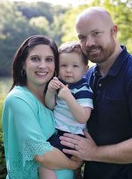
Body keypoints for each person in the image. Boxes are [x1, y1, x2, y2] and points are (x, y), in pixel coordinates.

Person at [59, 7, 132, 179]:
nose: (89, 43)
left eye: (96, 33)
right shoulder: (88, 76)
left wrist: (94, 153)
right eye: (82, 37)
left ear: (113, 31)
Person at [2, 35, 82, 179]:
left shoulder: (57, 97)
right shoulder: (18, 100)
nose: (43, 66)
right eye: (35, 59)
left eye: (49, 60)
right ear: (22, 64)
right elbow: (41, 154)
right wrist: (73, 164)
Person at [39, 42, 94, 179]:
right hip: (60, 132)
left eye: (75, 66)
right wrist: (50, 92)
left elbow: (83, 117)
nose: (69, 70)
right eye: (64, 65)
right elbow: (51, 106)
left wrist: (69, 97)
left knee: (44, 160)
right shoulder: (60, 84)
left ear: (85, 70)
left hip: (71, 136)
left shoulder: (84, 90)